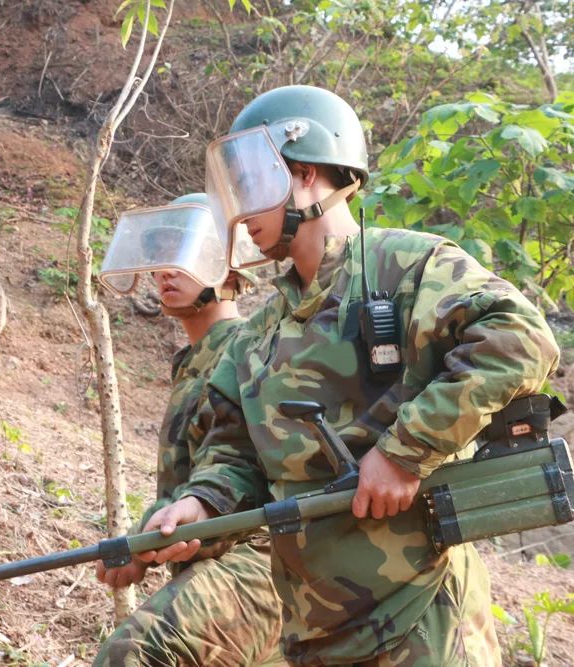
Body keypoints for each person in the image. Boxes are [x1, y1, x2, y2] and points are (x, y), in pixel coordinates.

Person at [141, 86, 561, 665]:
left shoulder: (405, 266)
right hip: (316, 633)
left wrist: (404, 452)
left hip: (423, 619)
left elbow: (520, 337)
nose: (238, 211)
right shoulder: (259, 332)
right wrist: (202, 506)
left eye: (252, 185)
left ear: (306, 174)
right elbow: (235, 452)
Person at [94, 194, 284, 666]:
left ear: (231, 268)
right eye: (161, 254)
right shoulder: (196, 360)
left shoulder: (250, 347)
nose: (166, 269)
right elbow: (193, 482)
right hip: (221, 559)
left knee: (135, 654)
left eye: (186, 253)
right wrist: (144, 540)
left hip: (265, 558)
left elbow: (248, 472)